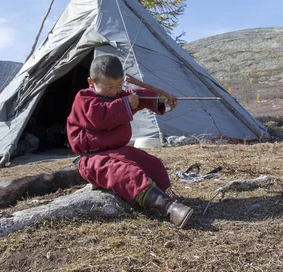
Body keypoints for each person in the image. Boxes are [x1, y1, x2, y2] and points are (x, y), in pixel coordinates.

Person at [66, 55, 194, 228]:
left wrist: (160, 98)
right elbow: (99, 116)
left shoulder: (119, 97)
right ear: (91, 82)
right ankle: (167, 207)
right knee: (125, 173)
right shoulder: (84, 100)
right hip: (92, 159)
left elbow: (139, 96)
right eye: (109, 87)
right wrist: (126, 103)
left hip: (118, 151)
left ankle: (154, 197)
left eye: (119, 85)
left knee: (151, 163)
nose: (114, 91)